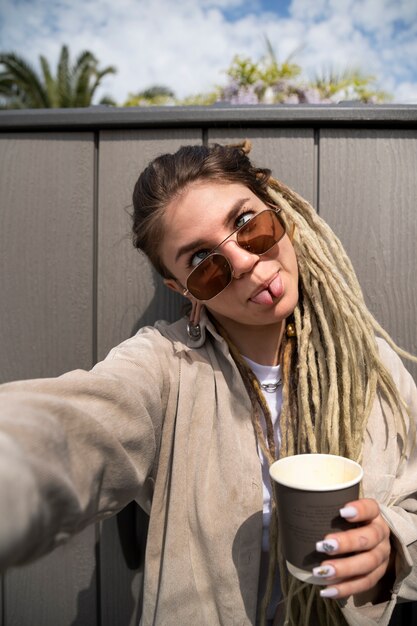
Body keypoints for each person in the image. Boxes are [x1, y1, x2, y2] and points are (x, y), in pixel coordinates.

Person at [0, 141, 416, 626]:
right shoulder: (163, 367)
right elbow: (72, 431)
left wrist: (390, 545)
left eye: (247, 223)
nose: (240, 262)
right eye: (201, 261)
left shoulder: (374, 366)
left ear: (280, 213)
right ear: (181, 288)